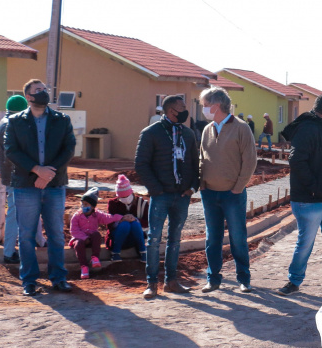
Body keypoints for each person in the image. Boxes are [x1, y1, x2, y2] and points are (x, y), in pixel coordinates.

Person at [4, 79, 75, 296]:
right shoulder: (15, 121)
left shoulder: (62, 120)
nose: (43, 92)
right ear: (28, 97)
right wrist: (36, 169)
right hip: (26, 185)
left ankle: (58, 278)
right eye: (38, 90)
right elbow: (11, 150)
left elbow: (69, 148)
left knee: (55, 234)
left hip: (54, 184)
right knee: (25, 235)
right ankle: (30, 281)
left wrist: (48, 173)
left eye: (45, 89)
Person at [135, 95, 201, 299]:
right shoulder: (151, 133)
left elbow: (194, 162)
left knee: (175, 240)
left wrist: (192, 187)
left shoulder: (188, 134)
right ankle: (151, 283)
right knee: (154, 239)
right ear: (171, 110)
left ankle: (171, 281)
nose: (185, 111)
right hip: (160, 196)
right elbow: (141, 164)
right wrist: (156, 189)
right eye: (182, 107)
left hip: (181, 196)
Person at [278, 93, 322, 295]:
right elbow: (296, 160)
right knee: (306, 243)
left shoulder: (320, 128)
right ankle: (294, 281)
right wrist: (314, 187)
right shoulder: (308, 129)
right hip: (310, 200)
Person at [199, 87, 257, 293]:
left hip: (233, 194)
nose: (203, 109)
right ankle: (213, 278)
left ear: (216, 106)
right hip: (209, 193)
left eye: (205, 105)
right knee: (212, 238)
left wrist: (237, 188)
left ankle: (243, 278)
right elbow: (202, 157)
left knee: (237, 237)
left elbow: (250, 161)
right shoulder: (207, 129)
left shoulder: (241, 128)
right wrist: (202, 183)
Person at [0, 95, 45, 263]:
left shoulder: (5, 123)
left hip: (17, 177)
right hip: (17, 178)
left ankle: (40, 240)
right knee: (14, 213)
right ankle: (9, 252)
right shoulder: (12, 125)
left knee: (34, 206)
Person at [69, 188, 126, 279]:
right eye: (82, 204)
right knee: (78, 244)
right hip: (79, 238)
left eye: (86, 204)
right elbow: (74, 231)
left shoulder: (97, 214)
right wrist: (84, 238)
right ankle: (84, 266)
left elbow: (107, 218)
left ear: (93, 207)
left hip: (92, 238)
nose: (83, 206)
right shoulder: (76, 216)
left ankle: (95, 258)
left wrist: (120, 217)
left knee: (97, 235)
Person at [106, 174, 148, 263]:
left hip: (136, 236)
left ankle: (143, 252)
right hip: (118, 236)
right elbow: (108, 223)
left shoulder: (142, 203)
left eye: (127, 196)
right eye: (122, 197)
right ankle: (115, 253)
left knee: (134, 224)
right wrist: (120, 220)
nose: (125, 199)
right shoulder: (113, 203)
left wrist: (135, 219)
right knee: (125, 224)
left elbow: (148, 222)